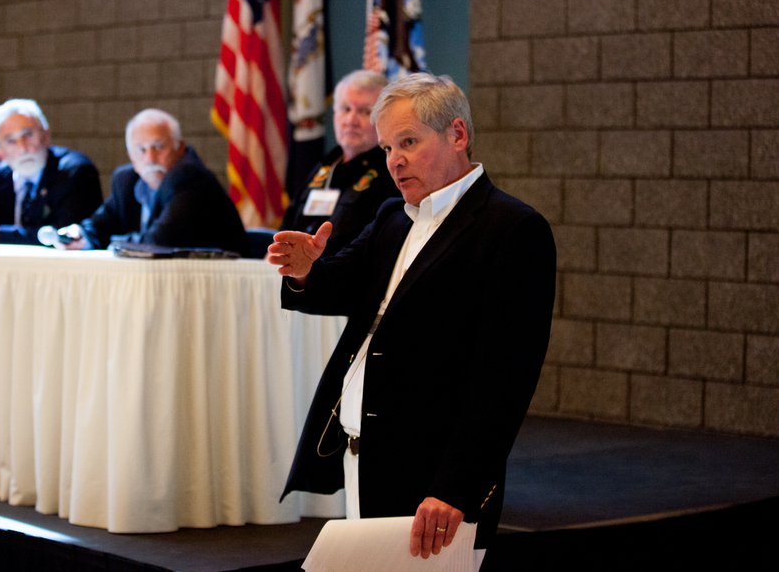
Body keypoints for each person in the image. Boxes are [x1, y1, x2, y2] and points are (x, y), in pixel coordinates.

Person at [267, 74, 556, 562]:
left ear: (457, 135)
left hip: (432, 476)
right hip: (363, 456)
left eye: (408, 142)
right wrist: (304, 272)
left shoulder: (512, 228)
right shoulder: (393, 216)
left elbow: (504, 380)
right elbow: (340, 283)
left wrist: (455, 487)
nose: (394, 160)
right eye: (386, 147)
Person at [59, 109, 247, 255]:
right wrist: (80, 235)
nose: (150, 158)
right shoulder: (126, 181)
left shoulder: (190, 177)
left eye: (159, 147)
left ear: (180, 148)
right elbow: (99, 226)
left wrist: (113, 242)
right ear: (131, 157)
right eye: (141, 149)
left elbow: (157, 242)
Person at [280, 70, 398, 257]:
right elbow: (289, 220)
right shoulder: (326, 165)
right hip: (296, 268)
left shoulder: (390, 172)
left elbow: (373, 246)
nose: (351, 120)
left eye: (365, 112)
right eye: (345, 109)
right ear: (335, 115)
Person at [0, 99, 102, 245]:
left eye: (28, 135)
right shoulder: (0, 177)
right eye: (11, 141)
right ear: (0, 153)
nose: (23, 148)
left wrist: (0, 235)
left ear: (46, 136)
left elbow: (62, 235)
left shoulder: (74, 171)